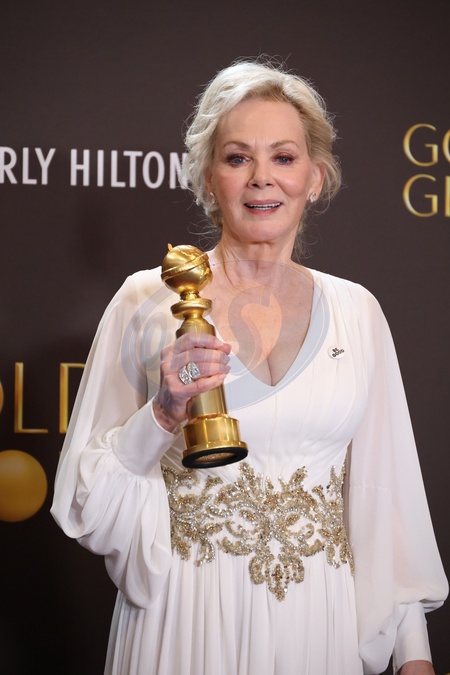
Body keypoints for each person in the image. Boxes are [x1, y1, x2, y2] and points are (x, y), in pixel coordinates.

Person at [51, 59, 448, 675]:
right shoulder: (146, 302)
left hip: (318, 624)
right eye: (238, 158)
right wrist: (162, 414)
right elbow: (87, 497)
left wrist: (413, 653)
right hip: (185, 618)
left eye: (283, 157)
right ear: (209, 179)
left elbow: (385, 496)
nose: (263, 178)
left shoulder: (358, 311)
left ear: (315, 178)